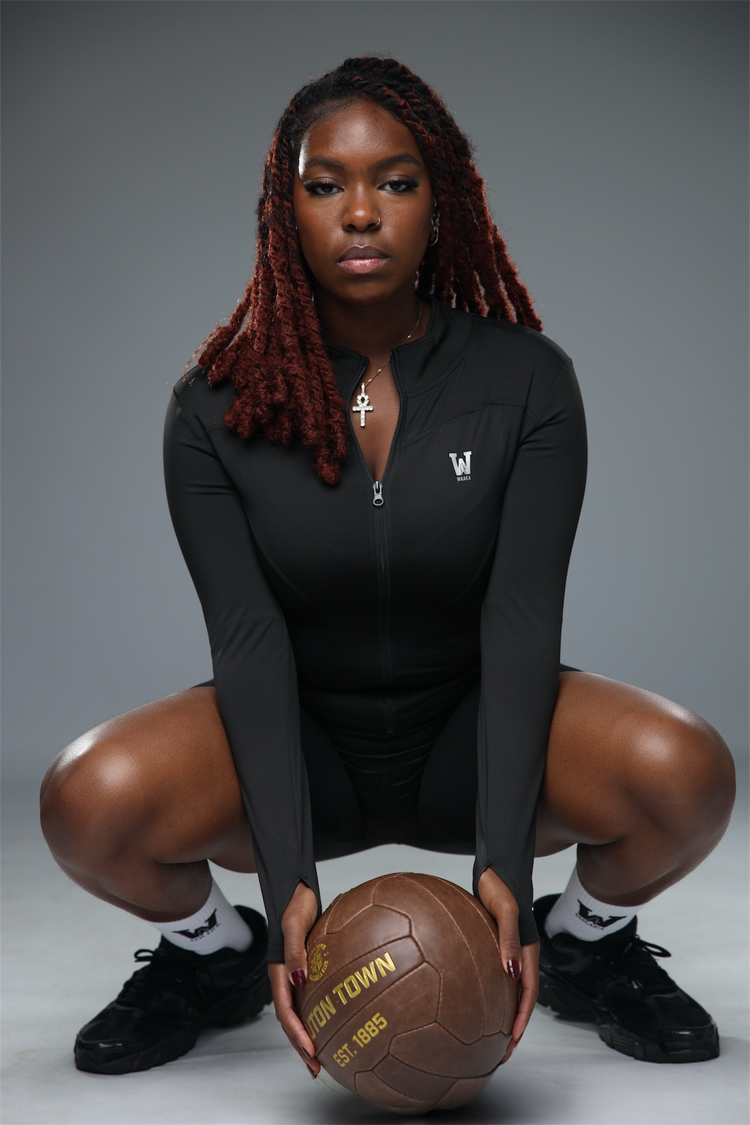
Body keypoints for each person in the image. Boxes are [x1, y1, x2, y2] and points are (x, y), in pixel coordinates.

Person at [39, 57, 735, 1081]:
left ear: (439, 200)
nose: (360, 213)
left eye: (395, 182)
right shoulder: (214, 407)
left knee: (687, 770)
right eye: (325, 185)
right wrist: (288, 886)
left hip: (470, 736)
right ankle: (213, 955)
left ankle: (585, 941)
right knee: (87, 797)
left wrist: (503, 867)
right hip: (303, 746)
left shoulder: (527, 380)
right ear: (284, 213)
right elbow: (247, 639)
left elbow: (520, 619)